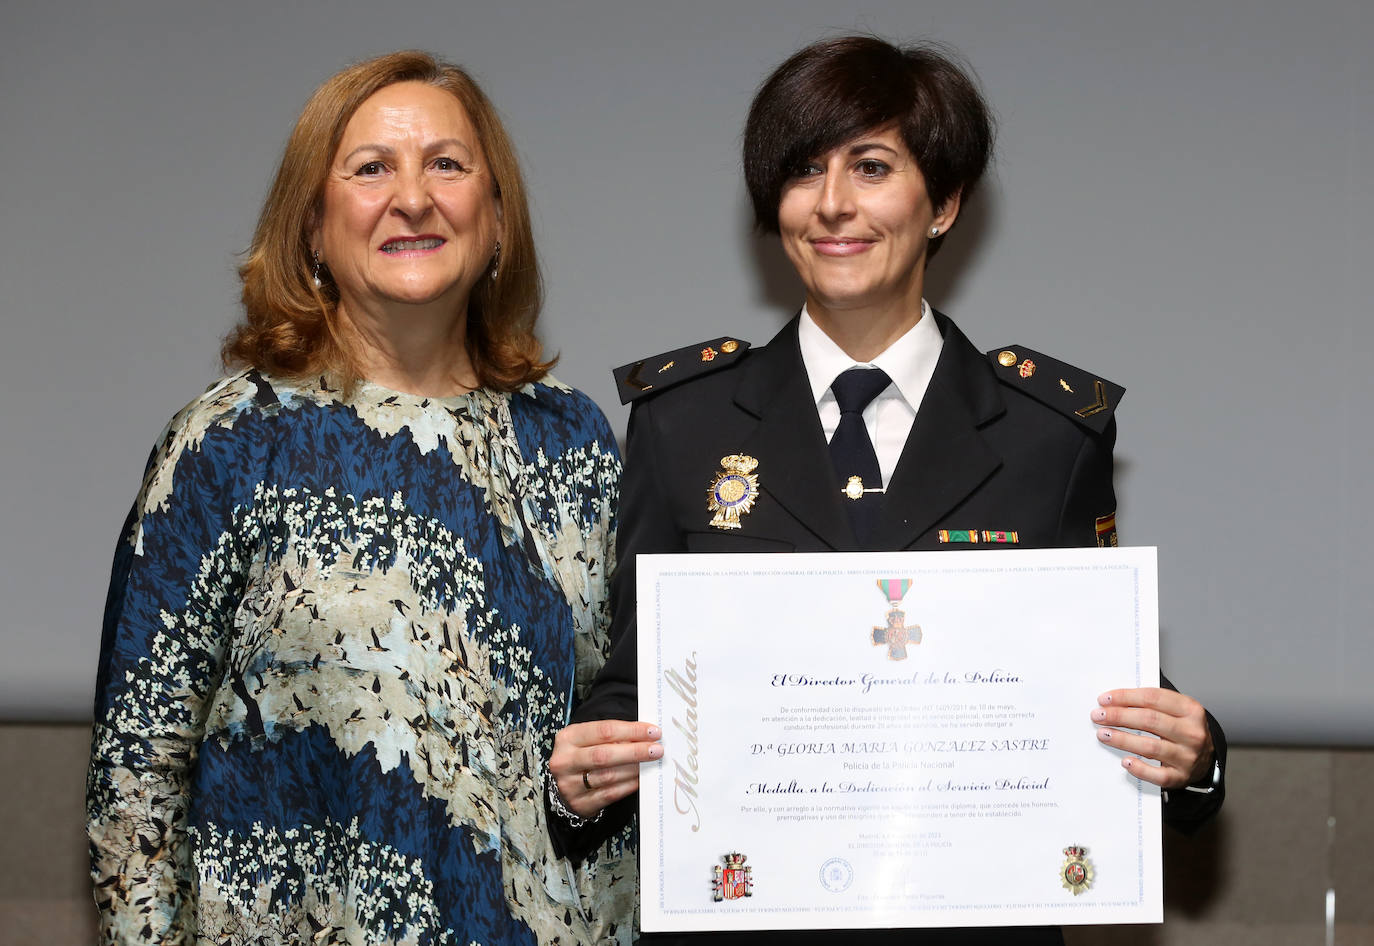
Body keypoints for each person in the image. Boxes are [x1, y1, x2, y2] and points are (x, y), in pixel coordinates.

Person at [546, 36, 1226, 945]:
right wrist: (581, 781)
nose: (832, 205)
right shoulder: (684, 424)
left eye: (871, 167)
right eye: (802, 172)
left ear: (943, 203)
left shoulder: (1048, 433)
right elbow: (639, 684)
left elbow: (1089, 679)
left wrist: (1196, 757)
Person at [86, 50, 634, 946]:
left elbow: (614, 739)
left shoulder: (570, 439)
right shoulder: (229, 445)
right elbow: (134, 781)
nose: (412, 198)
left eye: (448, 166)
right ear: (313, 225)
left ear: (496, 222)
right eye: (371, 168)